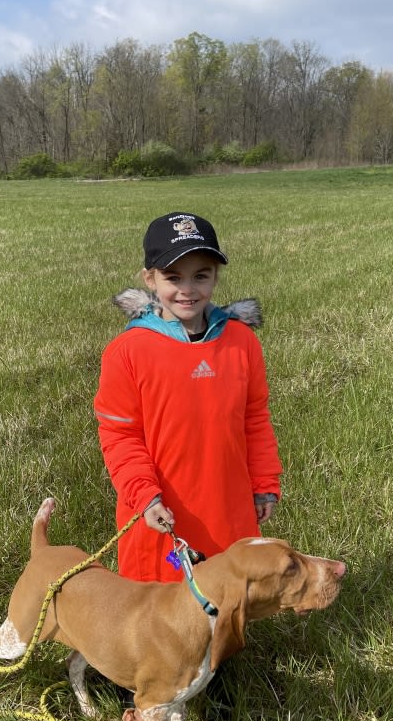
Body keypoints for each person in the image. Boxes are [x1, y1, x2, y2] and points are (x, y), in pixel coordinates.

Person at [94, 211, 282, 582]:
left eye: (201, 275)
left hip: (228, 508)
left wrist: (264, 485)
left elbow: (255, 419)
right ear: (150, 278)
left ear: (215, 276)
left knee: (226, 599)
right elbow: (120, 436)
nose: (187, 289)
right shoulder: (128, 351)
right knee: (161, 617)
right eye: (173, 277)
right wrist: (144, 496)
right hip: (161, 511)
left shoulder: (241, 342)